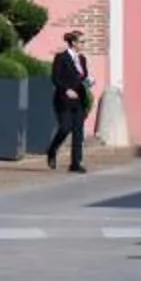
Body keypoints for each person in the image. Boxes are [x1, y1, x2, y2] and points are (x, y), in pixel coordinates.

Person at [47, 29, 93, 173]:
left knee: (78, 132)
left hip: (79, 99)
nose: (83, 44)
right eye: (81, 42)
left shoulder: (82, 59)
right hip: (63, 100)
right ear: (73, 43)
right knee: (65, 127)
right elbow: (55, 78)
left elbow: (82, 77)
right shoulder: (61, 57)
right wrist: (66, 89)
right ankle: (52, 150)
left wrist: (88, 81)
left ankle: (75, 163)